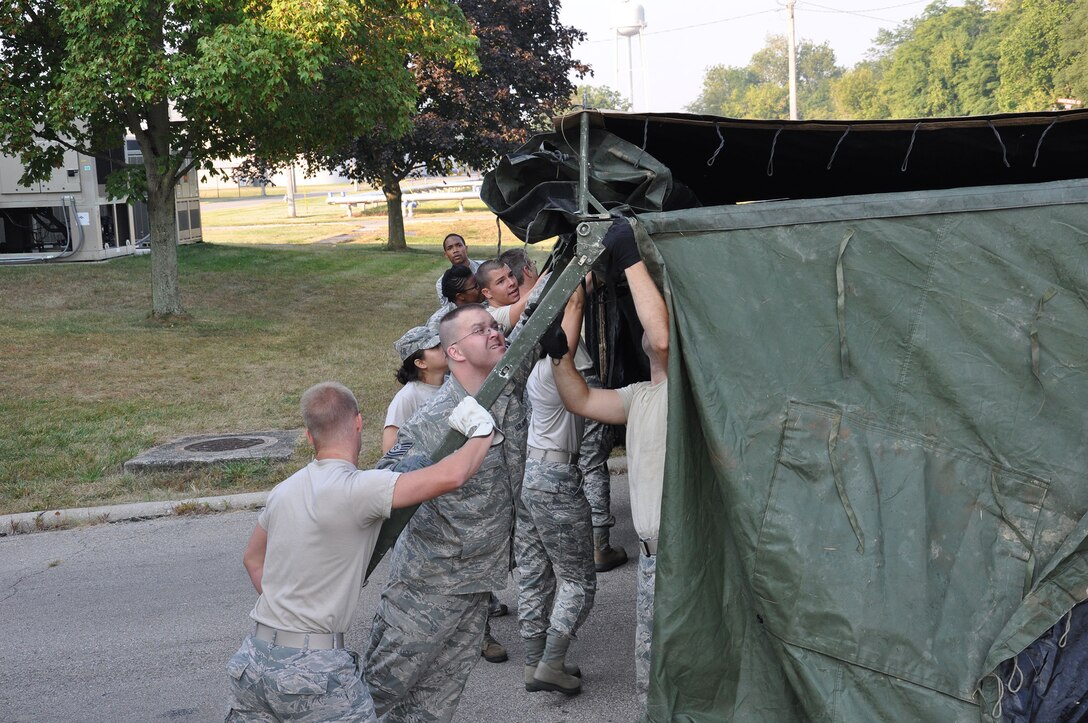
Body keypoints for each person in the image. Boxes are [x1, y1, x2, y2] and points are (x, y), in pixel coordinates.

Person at [225, 381, 498, 722]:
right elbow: (453, 475)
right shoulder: (360, 489)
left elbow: (252, 558)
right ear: (358, 423)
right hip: (312, 671)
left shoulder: (283, 490)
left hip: (253, 662)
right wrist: (482, 430)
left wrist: (290, 605)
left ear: (310, 437)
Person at [365, 304, 535, 722]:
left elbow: (542, 301)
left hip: (479, 580)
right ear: (454, 352)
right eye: (481, 330)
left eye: (495, 326)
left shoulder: (507, 394)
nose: (494, 333)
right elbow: (381, 491)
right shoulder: (433, 420)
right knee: (375, 696)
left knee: (435, 704)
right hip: (429, 586)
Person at [550, 219, 668, 706]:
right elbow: (578, 399)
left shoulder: (690, 392)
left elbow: (660, 340)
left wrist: (628, 256)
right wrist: (561, 354)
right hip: (651, 556)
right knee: (650, 676)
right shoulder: (640, 395)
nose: (643, 330)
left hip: (684, 558)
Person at [382, 323, 512, 662]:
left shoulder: (454, 387)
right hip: (434, 531)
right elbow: (394, 458)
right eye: (433, 347)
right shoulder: (410, 399)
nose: (439, 350)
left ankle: (480, 632)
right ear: (419, 361)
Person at [516, 285, 596, 696]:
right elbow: (577, 303)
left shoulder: (537, 368)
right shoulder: (556, 367)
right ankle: (551, 663)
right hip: (557, 481)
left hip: (533, 477)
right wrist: (578, 279)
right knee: (578, 579)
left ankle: (533, 664)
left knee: (534, 572)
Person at [382, 326, 447, 454]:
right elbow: (389, 449)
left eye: (441, 343)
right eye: (434, 347)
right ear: (421, 363)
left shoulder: (453, 381)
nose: (443, 348)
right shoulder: (407, 397)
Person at [475, 259, 535, 332]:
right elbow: (535, 293)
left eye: (511, 275)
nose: (511, 282)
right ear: (487, 293)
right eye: (501, 281)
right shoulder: (491, 318)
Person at [427, 264, 484, 330]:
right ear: (460, 296)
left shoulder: (487, 304)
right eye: (476, 286)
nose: (481, 287)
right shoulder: (440, 323)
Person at [434, 233, 482, 305]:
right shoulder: (441, 283)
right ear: (446, 254)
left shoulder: (484, 267)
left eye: (459, 245)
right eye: (450, 248)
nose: (455, 250)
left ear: (466, 248)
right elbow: (449, 308)